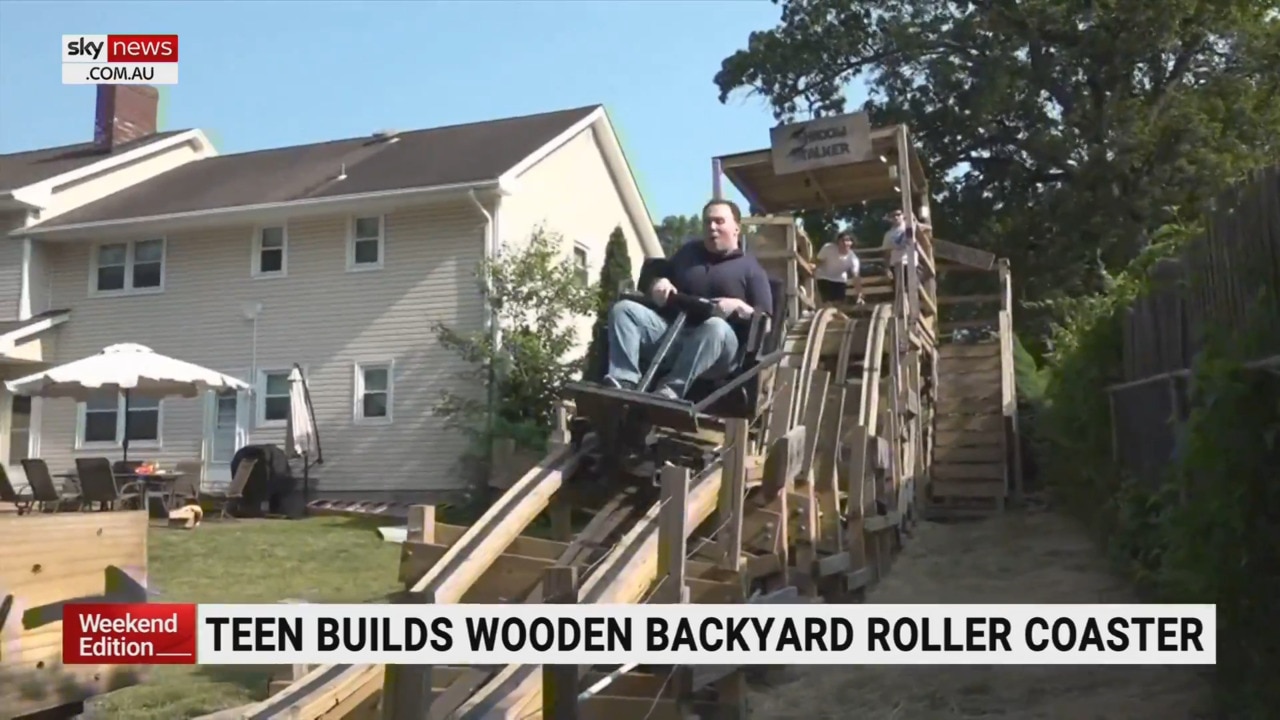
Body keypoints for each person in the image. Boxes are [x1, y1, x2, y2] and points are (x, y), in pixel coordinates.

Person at [603, 198, 773, 400]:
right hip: (674, 336)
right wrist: (659, 282)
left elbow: (767, 324)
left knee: (715, 326)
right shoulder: (688, 253)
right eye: (707, 222)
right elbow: (655, 273)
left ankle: (670, 391)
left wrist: (741, 307)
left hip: (718, 352)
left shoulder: (751, 269)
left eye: (719, 221)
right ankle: (625, 380)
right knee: (624, 310)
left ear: (736, 228)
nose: (712, 227)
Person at [814, 231, 864, 305]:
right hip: (823, 277)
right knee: (826, 302)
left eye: (848, 241)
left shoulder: (853, 258)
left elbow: (856, 277)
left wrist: (859, 295)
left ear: (851, 243)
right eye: (842, 240)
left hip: (839, 280)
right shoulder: (828, 248)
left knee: (839, 304)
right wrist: (812, 268)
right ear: (838, 242)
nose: (845, 243)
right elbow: (818, 262)